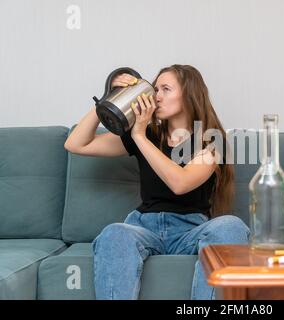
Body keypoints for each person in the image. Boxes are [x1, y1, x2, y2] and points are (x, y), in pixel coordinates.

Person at [64, 64, 250, 300]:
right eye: (154, 89)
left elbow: (180, 183)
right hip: (144, 227)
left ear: (189, 94)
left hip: (191, 230)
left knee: (231, 227)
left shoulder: (211, 142)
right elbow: (76, 144)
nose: (156, 96)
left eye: (166, 89)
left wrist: (139, 136)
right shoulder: (147, 134)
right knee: (114, 233)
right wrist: (107, 99)